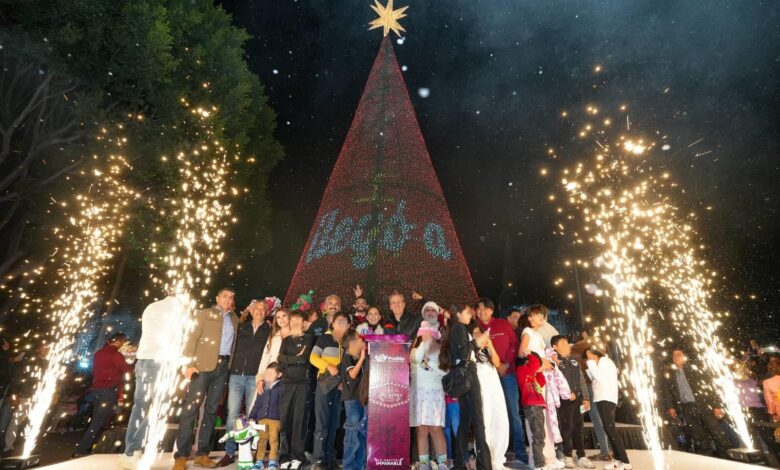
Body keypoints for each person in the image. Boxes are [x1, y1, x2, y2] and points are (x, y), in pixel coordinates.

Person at [172, 288, 239, 470]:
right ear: (217, 298)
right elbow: (191, 339)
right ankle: (181, 456)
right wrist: (188, 364)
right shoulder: (204, 314)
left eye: (230, 297)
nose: (227, 299)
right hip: (201, 367)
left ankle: (202, 454)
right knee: (191, 409)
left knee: (211, 412)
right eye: (224, 296)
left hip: (223, 368)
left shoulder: (234, 319)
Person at [118, 294, 180, 469]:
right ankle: (133, 449)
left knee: (139, 407)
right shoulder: (178, 310)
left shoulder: (151, 307)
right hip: (160, 362)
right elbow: (178, 339)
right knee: (160, 409)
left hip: (143, 361)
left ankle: (129, 453)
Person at [475, 298, 527, 464]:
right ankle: (490, 452)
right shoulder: (474, 327)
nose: (482, 312)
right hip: (486, 377)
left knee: (513, 413)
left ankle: (519, 451)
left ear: (491, 310)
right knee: (488, 415)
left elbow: (514, 345)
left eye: (485, 308)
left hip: (507, 374)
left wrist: (505, 364)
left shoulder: (502, 324)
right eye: (479, 309)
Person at [440, 303, 491, 470]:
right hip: (468, 376)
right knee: (477, 420)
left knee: (465, 421)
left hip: (464, 376)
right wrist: (477, 342)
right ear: (459, 314)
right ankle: (484, 465)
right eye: (467, 312)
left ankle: (460, 463)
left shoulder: (456, 328)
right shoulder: (459, 327)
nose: (470, 315)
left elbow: (461, 353)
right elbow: (464, 353)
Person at [221, 299, 272, 465]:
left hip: (254, 377)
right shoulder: (241, 327)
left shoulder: (269, 331)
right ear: (251, 310)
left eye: (263, 309)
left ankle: (248, 453)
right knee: (232, 415)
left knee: (252, 416)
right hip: (236, 375)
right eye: (257, 308)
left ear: (267, 312)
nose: (259, 311)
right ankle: (229, 452)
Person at [659, 348, 732, 458]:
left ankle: (727, 457)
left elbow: (710, 386)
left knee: (717, 432)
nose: (676, 357)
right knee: (698, 436)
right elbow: (667, 392)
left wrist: (717, 405)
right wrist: (670, 407)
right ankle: (707, 458)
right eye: (674, 356)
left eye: (679, 354)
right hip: (687, 407)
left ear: (684, 357)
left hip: (703, 404)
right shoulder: (670, 374)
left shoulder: (694, 369)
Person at [74, 332, 132, 457]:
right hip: (109, 390)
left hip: (97, 390)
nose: (123, 345)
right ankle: (81, 449)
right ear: (118, 342)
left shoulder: (98, 353)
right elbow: (127, 369)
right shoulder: (115, 355)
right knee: (99, 421)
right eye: (122, 342)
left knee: (97, 419)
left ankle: (88, 446)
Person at [310, 311, 350, 470]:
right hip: (324, 385)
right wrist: (327, 365)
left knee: (334, 424)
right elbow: (313, 358)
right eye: (338, 321)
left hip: (339, 388)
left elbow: (349, 366)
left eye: (344, 322)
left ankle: (330, 458)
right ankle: (318, 460)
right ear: (333, 324)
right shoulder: (324, 339)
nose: (341, 324)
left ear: (348, 325)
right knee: (322, 423)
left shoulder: (348, 343)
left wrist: (344, 382)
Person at [277, 310, 315, 470]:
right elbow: (279, 359)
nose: (295, 322)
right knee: (285, 420)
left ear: (304, 323)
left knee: (299, 421)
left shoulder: (310, 338)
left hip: (302, 384)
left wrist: (288, 359)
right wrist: (293, 359)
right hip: (286, 383)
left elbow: (303, 359)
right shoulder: (286, 340)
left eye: (298, 319)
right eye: (292, 320)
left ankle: (298, 456)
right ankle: (284, 456)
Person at [551, 336, 595, 469]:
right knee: (566, 428)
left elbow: (582, 381)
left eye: (567, 343)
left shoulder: (575, 362)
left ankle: (581, 456)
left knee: (579, 428)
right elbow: (554, 382)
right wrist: (565, 394)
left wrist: (586, 398)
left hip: (578, 401)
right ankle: (567, 455)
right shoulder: (554, 362)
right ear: (555, 347)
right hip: (565, 402)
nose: (567, 345)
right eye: (563, 343)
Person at [410, 321, 448, 470]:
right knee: (421, 430)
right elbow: (416, 358)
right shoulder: (414, 350)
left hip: (434, 394)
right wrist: (423, 344)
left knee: (436, 429)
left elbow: (445, 371)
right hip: (419, 394)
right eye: (425, 336)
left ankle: (442, 463)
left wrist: (430, 364)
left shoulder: (439, 350)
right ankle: (424, 464)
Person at [471, 324, 509, 470]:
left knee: (500, 419)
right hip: (480, 386)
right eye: (474, 333)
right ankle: (485, 460)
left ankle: (498, 459)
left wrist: (491, 345)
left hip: (494, 385)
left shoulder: (487, 348)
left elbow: (497, 363)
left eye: (479, 333)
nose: (478, 336)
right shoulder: (470, 348)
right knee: (484, 421)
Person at [585, 348, 631, 470]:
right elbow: (594, 379)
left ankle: (625, 461)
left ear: (596, 354)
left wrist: (591, 363)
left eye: (589, 356)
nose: (588, 358)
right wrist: (591, 366)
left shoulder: (604, 361)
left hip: (606, 398)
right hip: (602, 398)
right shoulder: (602, 363)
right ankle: (618, 460)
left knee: (610, 429)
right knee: (608, 428)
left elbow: (598, 377)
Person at [0, 341, 49, 455]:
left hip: (37, 397)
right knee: (15, 422)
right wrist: (15, 395)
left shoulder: (46, 362)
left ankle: (29, 445)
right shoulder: (30, 360)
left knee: (32, 422)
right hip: (24, 395)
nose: (46, 349)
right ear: (37, 349)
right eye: (43, 347)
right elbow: (17, 377)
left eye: (47, 347)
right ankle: (8, 447)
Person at [516, 352, 550, 470]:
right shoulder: (521, 370)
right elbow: (535, 363)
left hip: (537, 406)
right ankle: (539, 464)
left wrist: (539, 372)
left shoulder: (531, 374)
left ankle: (539, 462)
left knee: (540, 434)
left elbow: (542, 382)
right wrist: (529, 353)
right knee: (538, 435)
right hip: (532, 406)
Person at [340, 329, 367, 470]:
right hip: (352, 400)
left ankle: (360, 465)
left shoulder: (365, 357)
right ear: (351, 343)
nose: (362, 339)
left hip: (363, 399)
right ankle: (348, 466)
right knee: (352, 433)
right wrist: (361, 358)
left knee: (362, 433)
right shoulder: (348, 358)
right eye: (359, 338)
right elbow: (352, 375)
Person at [248, 362, 283, 470]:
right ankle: (259, 461)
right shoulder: (263, 386)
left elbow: (283, 404)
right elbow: (257, 403)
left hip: (275, 419)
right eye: (266, 374)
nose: (267, 376)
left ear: (279, 374)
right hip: (262, 419)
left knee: (274, 440)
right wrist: (252, 417)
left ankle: (273, 461)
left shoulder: (282, 387)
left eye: (271, 374)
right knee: (261, 439)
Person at [257, 309, 291, 392]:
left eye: (284, 316)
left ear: (290, 317)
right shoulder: (273, 337)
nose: (281, 319)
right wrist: (260, 379)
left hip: (289, 377)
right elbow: (265, 358)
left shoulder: (297, 335)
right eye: (278, 317)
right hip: (271, 375)